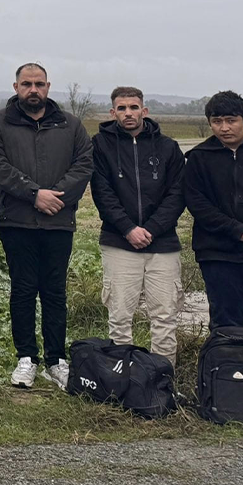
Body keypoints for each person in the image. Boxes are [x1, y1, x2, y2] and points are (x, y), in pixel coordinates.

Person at [0, 63, 93, 390]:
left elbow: (84, 164)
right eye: (27, 84)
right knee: (24, 289)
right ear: (16, 87)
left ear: (48, 87)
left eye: (39, 84)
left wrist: (54, 197)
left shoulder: (70, 125)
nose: (34, 90)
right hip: (16, 222)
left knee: (55, 291)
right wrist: (34, 195)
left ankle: (56, 360)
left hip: (58, 221)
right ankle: (26, 358)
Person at [90, 87, 186, 363]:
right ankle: (125, 380)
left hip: (163, 244)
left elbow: (177, 193)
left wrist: (153, 228)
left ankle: (163, 379)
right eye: (122, 108)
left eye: (134, 107)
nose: (128, 113)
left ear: (144, 111)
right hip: (119, 242)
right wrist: (128, 229)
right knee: (120, 316)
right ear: (113, 112)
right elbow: (102, 192)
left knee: (165, 316)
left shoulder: (168, 147)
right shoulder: (100, 145)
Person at [184, 90, 243, 333]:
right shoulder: (198, 158)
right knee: (226, 326)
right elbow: (197, 204)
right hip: (218, 254)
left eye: (231, 120)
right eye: (217, 121)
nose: (224, 127)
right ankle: (227, 371)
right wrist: (237, 230)